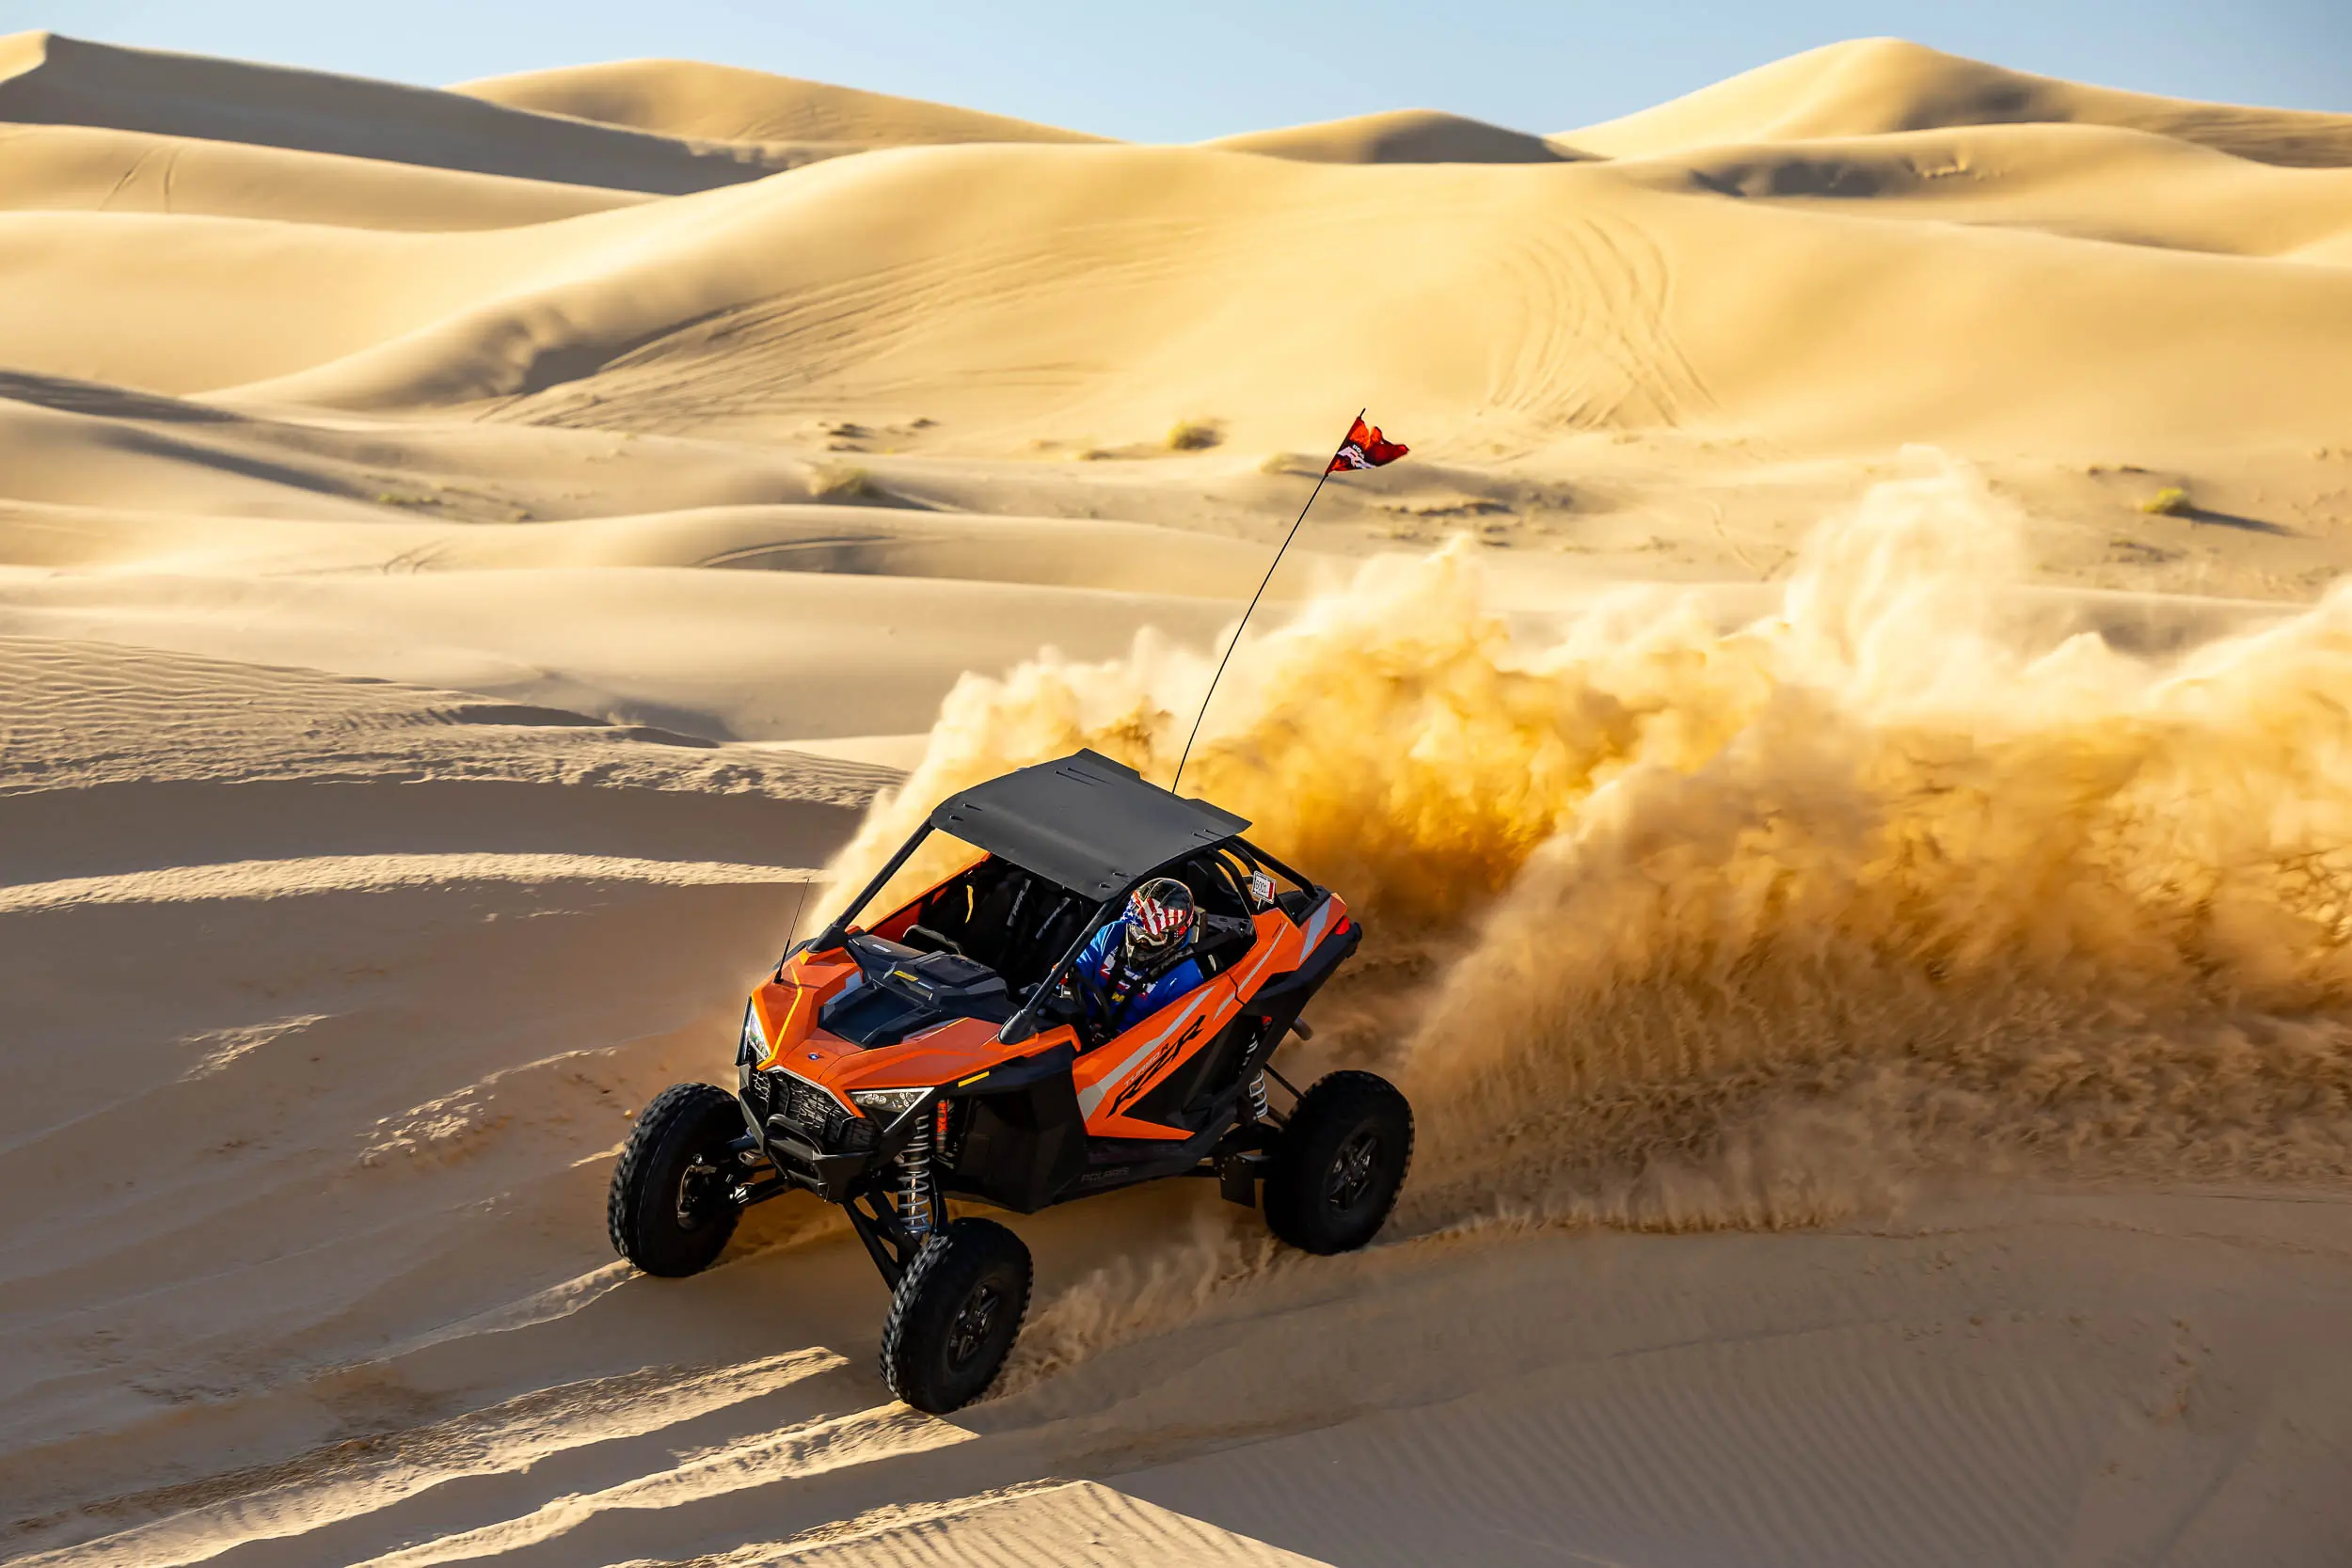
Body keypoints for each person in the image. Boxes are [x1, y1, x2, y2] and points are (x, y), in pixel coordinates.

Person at [1068, 877, 1204, 1037]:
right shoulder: (1112, 932)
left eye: (1152, 936)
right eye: (1138, 929)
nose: (1141, 940)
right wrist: (1066, 982)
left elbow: (1164, 1036)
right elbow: (1079, 967)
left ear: (1174, 936)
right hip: (1077, 1024)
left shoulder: (1186, 978)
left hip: (1127, 1047)